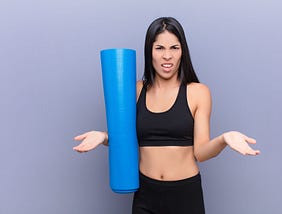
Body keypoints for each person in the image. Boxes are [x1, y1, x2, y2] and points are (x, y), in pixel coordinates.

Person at [73, 17, 260, 214]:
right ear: (150, 52)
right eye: (160, 48)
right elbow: (125, 137)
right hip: (146, 194)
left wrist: (224, 139)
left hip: (186, 196)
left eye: (174, 48)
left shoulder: (198, 92)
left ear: (182, 52)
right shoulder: (135, 90)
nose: (167, 56)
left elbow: (201, 152)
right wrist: (104, 136)